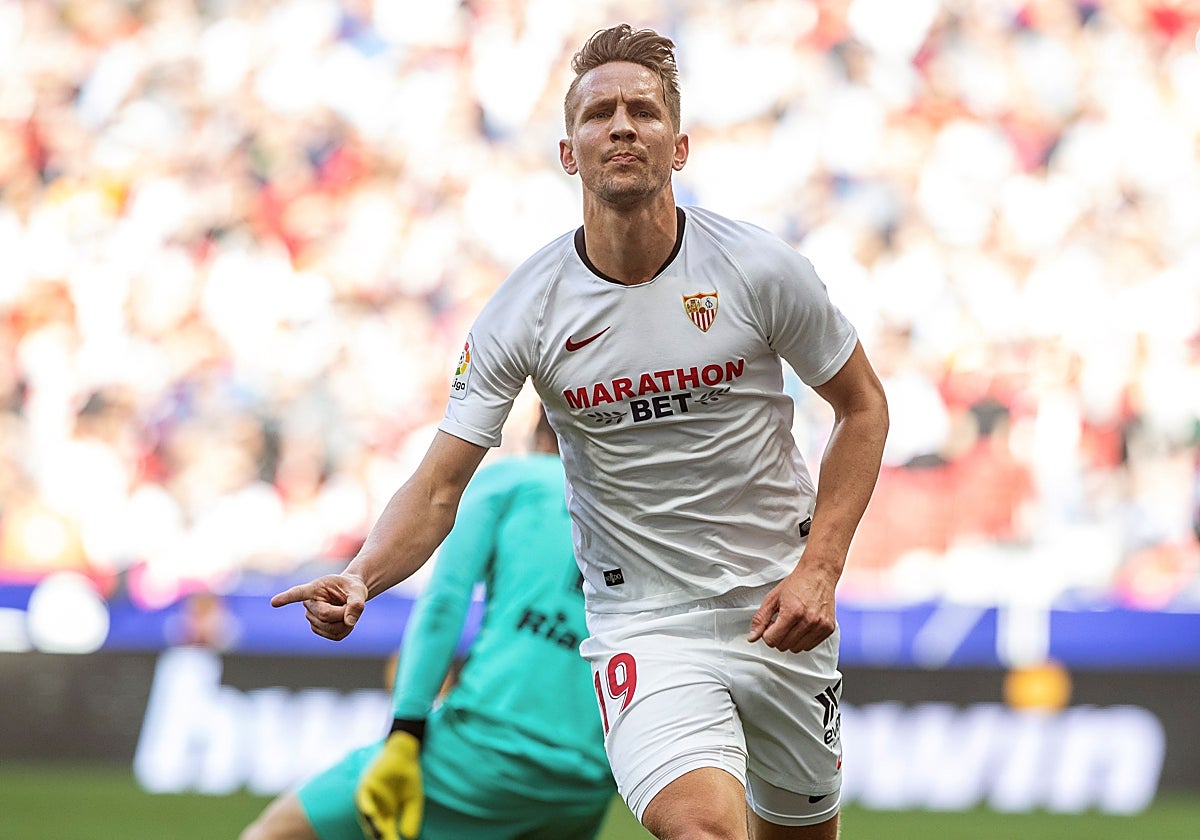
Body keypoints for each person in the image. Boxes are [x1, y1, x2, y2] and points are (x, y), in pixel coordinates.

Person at [273, 23, 889, 840]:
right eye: (600, 114)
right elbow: (439, 484)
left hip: (781, 608)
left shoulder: (760, 269)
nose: (623, 125)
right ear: (570, 152)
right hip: (646, 626)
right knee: (702, 832)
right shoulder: (524, 310)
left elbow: (864, 407)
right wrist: (362, 575)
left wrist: (821, 569)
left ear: (679, 146)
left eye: (644, 110)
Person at [246, 409, 616, 840]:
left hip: (488, 746)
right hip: (589, 781)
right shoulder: (636, 514)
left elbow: (445, 602)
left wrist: (406, 731)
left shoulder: (513, 479)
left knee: (274, 834)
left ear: (538, 432)